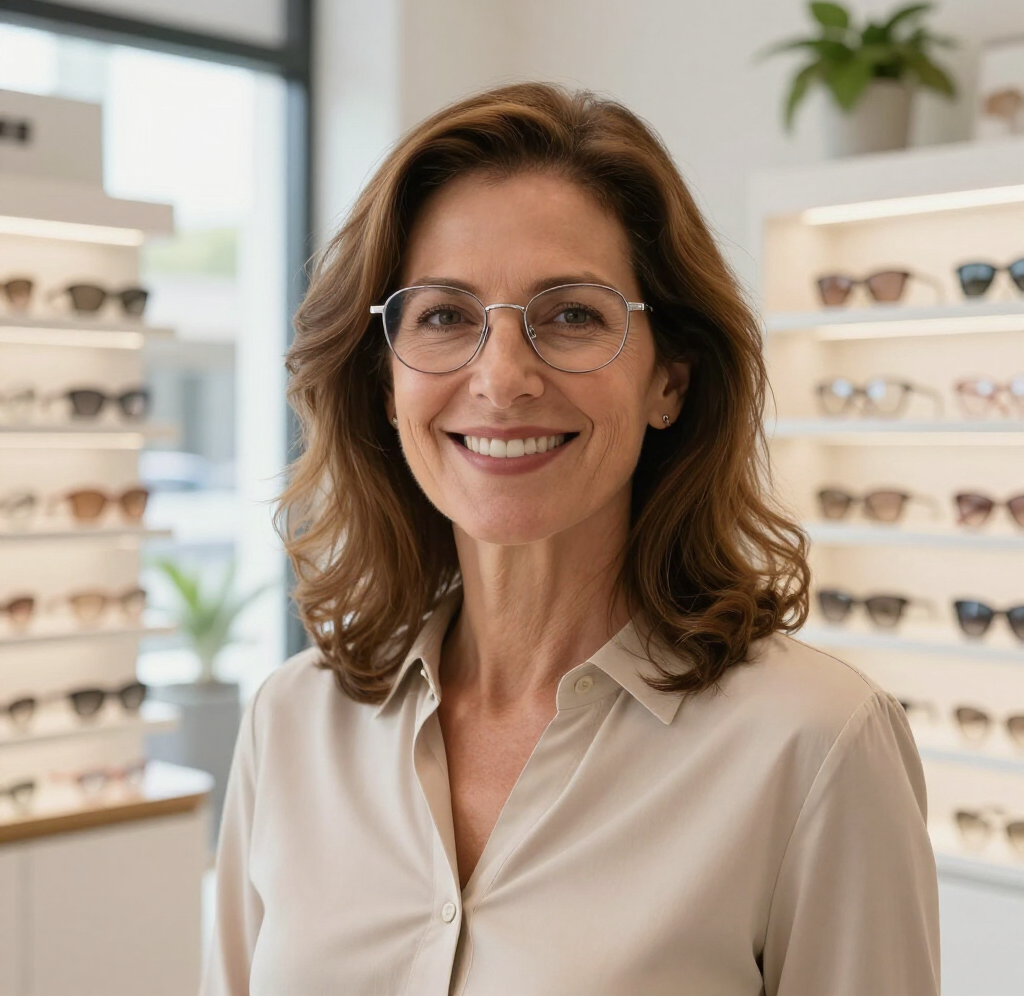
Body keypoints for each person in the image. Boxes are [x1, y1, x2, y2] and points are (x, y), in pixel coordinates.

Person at [201, 82, 940, 996]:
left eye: (573, 315)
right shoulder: (293, 723)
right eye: (442, 315)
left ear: (670, 379)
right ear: (383, 383)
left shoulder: (816, 745)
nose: (503, 379)